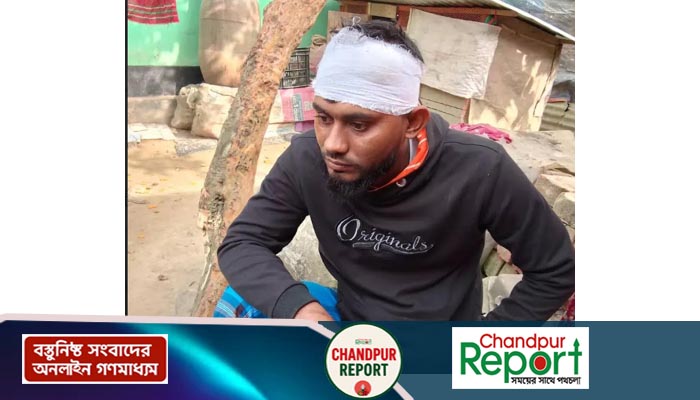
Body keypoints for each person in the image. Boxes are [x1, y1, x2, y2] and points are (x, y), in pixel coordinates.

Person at [214, 20, 574, 322]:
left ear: (412, 123)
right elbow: (244, 242)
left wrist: (478, 345)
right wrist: (299, 309)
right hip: (350, 327)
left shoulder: (479, 168)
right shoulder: (307, 159)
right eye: (323, 118)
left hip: (439, 340)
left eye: (358, 124)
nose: (333, 144)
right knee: (240, 311)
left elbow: (555, 269)